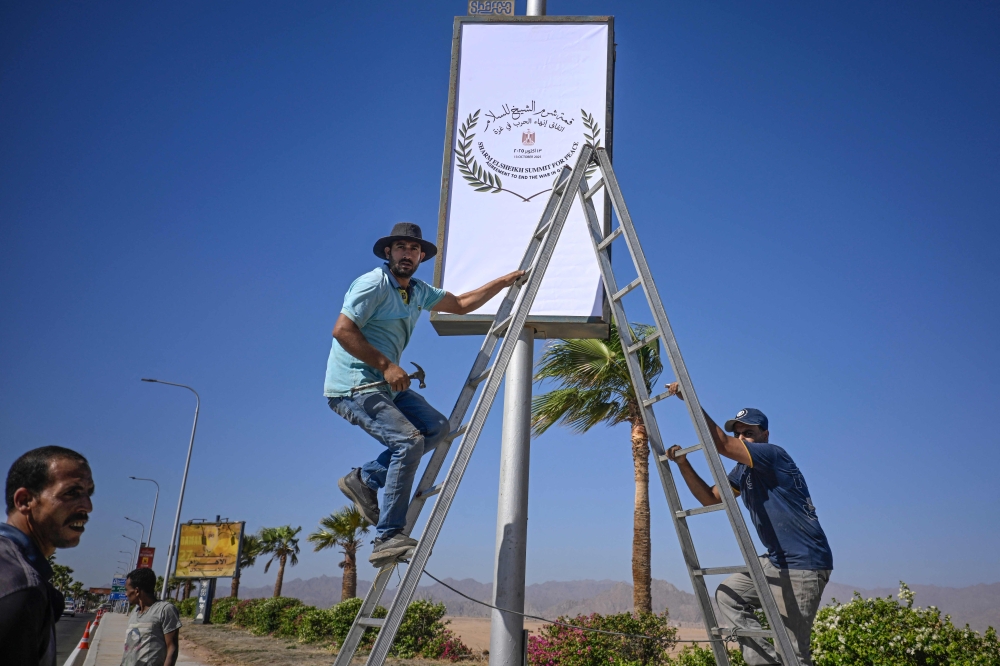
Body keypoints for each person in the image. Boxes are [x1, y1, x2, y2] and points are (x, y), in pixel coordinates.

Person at [327, 222, 524, 567]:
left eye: (414, 249)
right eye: (401, 247)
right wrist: (386, 364)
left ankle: (366, 478)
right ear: (388, 253)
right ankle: (388, 536)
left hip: (386, 385)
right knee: (408, 442)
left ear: (421, 257)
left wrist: (504, 282)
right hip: (353, 386)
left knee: (436, 428)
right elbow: (343, 331)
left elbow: (461, 303)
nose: (408, 253)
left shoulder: (417, 291)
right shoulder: (373, 283)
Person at [664, 385, 832, 665]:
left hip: (804, 564)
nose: (742, 437)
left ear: (765, 435)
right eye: (738, 433)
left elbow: (721, 445)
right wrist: (683, 464)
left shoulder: (772, 454)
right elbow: (710, 499)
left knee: (793, 652)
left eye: (749, 433)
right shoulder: (743, 470)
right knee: (729, 595)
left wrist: (688, 400)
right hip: (777, 561)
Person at [0, 446, 94, 666]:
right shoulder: (22, 587)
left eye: (88, 493)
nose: (87, 507)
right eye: (71, 492)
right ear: (24, 501)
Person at [120, 568, 180, 666]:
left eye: (127, 590)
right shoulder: (134, 612)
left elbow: (172, 648)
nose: (126, 594)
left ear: (137, 591)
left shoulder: (165, 610)